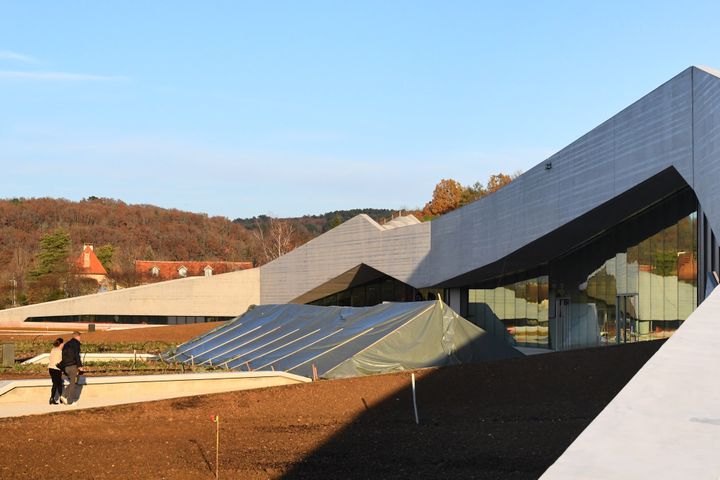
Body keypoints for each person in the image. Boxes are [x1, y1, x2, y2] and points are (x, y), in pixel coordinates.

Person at [59, 331, 83, 405]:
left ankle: (63, 396)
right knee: (73, 384)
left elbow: (63, 356)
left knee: (73, 382)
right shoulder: (76, 344)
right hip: (73, 366)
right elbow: (76, 355)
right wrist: (80, 366)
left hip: (66, 366)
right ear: (77, 336)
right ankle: (70, 402)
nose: (80, 338)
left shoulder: (66, 344)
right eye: (80, 336)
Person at [47, 337, 64, 405]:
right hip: (56, 369)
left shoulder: (53, 350)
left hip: (51, 368)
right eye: (63, 343)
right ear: (61, 344)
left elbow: (50, 358)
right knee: (56, 384)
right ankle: (53, 398)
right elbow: (63, 361)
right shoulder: (61, 352)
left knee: (58, 383)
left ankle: (60, 398)